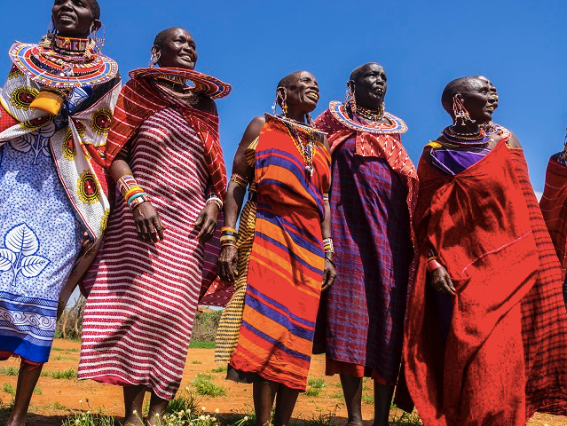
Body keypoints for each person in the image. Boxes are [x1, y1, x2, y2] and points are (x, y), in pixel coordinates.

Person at [77, 27, 230, 426]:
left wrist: (215, 202)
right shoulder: (136, 94)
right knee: (141, 309)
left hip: (191, 223)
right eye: (178, 42)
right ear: (155, 51)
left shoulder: (206, 106)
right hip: (141, 215)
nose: (188, 48)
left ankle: (159, 411)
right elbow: (115, 153)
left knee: (175, 312)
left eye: (193, 44)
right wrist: (136, 197)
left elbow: (216, 168)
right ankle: (132, 413)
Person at [399, 76, 567, 425]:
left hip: (506, 268)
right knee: (460, 349)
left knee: (499, 356)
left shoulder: (506, 143)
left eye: (494, 90)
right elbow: (424, 217)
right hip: (453, 272)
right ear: (460, 100)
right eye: (485, 90)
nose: (495, 95)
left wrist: (541, 265)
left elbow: (525, 209)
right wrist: (432, 264)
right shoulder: (434, 154)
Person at [0, 0, 120, 424]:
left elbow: (100, 130)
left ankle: (17, 414)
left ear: (96, 22)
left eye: (81, 2)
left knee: (44, 293)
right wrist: (43, 104)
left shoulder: (107, 73)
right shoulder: (26, 58)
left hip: (67, 184)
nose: (68, 4)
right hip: (12, 174)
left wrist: (68, 107)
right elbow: (11, 105)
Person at [216, 71, 335, 426]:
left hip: (310, 246)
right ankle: (264, 422)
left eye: (316, 83)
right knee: (267, 327)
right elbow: (237, 182)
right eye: (304, 82)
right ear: (283, 92)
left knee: (296, 334)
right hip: (266, 230)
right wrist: (227, 237)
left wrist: (328, 251)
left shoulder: (321, 142)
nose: (313, 86)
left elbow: (325, 201)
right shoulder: (262, 127)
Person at [312, 62, 417, 426]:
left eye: (385, 77)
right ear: (351, 85)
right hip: (346, 230)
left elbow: (407, 181)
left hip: (392, 234)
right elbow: (311, 164)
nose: (379, 81)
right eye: (371, 76)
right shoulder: (331, 123)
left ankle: (382, 419)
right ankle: (355, 417)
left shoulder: (394, 132)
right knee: (351, 314)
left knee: (389, 316)